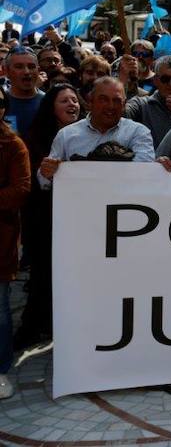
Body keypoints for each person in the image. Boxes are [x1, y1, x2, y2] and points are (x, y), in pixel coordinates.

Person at [16, 84, 82, 349]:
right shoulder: (34, 138)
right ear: (50, 107)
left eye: (75, 100)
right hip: (46, 219)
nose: (72, 105)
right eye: (64, 101)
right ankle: (34, 326)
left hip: (81, 220)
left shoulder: (83, 135)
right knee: (45, 274)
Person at [0, 84, 30, 398]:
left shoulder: (12, 145)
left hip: (2, 238)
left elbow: (21, 189)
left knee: (1, 309)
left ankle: (1, 370)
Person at [124, 55, 171, 148]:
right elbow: (120, 115)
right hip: (149, 160)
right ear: (155, 80)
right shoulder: (141, 105)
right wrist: (122, 79)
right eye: (165, 79)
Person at [5, 48, 44, 138]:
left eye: (31, 67)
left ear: (38, 70)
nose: (27, 72)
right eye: (19, 67)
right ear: (7, 71)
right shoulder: (2, 102)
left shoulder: (49, 102)